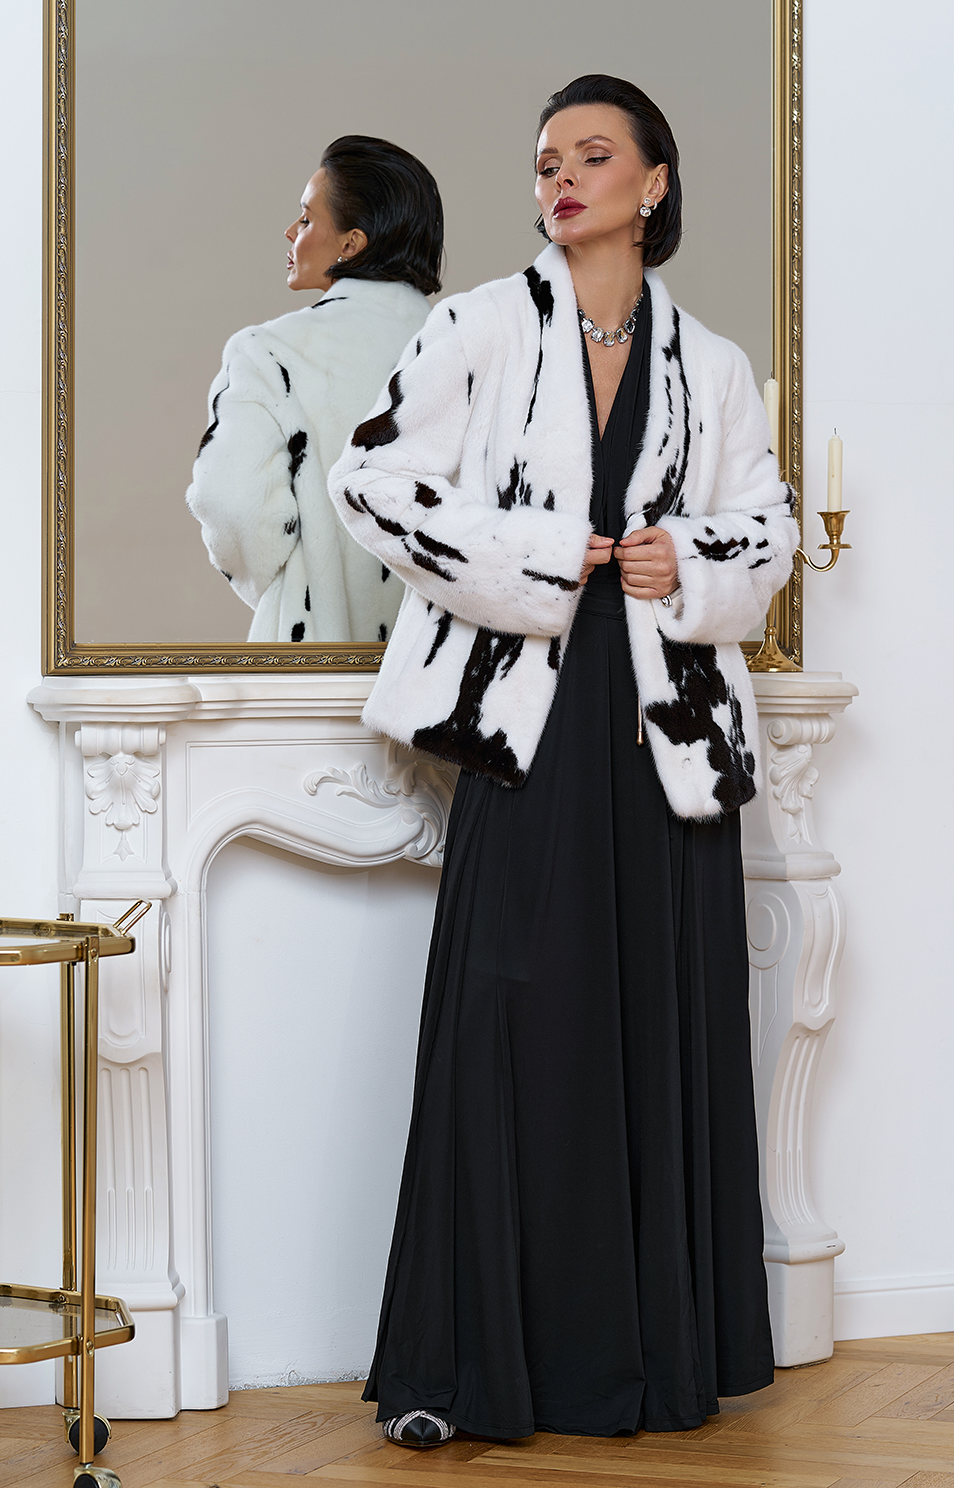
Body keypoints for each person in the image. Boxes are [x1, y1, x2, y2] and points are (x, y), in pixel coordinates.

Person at [329, 75, 798, 1445]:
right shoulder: (477, 326)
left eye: (593, 156)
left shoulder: (712, 363)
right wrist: (533, 555)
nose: (563, 178)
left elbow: (766, 529)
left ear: (653, 183)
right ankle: (459, 1369)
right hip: (521, 716)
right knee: (508, 1022)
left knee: (660, 1027)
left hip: (668, 729)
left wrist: (687, 558)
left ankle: (649, 1365)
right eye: (546, 161)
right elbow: (370, 481)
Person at [187, 136, 443, 644]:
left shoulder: (271, 353)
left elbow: (231, 502)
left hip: (314, 663)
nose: (290, 231)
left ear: (351, 244)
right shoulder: (466, 348)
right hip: (444, 667)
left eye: (305, 219)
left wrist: (296, 585)